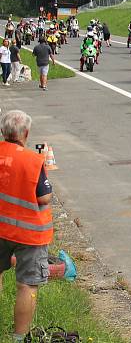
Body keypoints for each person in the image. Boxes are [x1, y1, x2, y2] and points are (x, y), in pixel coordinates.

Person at [0, 110, 54, 342]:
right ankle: (18, 338)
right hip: (29, 233)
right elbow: (44, 198)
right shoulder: (33, 160)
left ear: (3, 131)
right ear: (26, 133)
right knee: (27, 286)